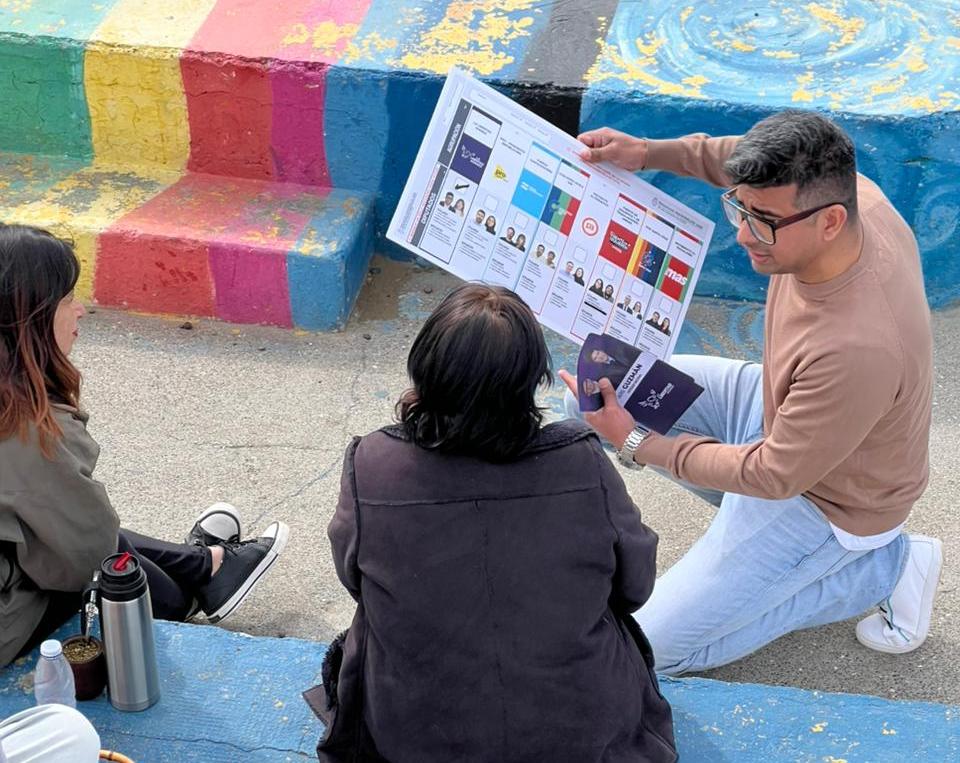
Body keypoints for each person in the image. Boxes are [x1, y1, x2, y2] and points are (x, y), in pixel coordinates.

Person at [562, 110, 937, 674]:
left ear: (830, 221)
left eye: (762, 221)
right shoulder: (848, 191)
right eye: (739, 206)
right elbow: (734, 157)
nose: (741, 234)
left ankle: (880, 568)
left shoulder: (856, 345)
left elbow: (773, 475)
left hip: (825, 500)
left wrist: (637, 441)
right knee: (591, 396)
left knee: (640, 653)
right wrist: (645, 151)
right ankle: (747, 560)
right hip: (778, 410)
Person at [307, 284, 676, 762]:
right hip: (584, 743)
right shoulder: (582, 460)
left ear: (426, 368)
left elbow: (357, 581)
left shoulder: (371, 463)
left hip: (416, 743)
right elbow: (634, 586)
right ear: (529, 380)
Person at [0, 225, 289, 668]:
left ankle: (204, 564)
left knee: (56, 520)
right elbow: (89, 554)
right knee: (91, 547)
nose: (80, 311)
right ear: (31, 320)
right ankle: (196, 583)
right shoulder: (25, 430)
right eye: (67, 300)